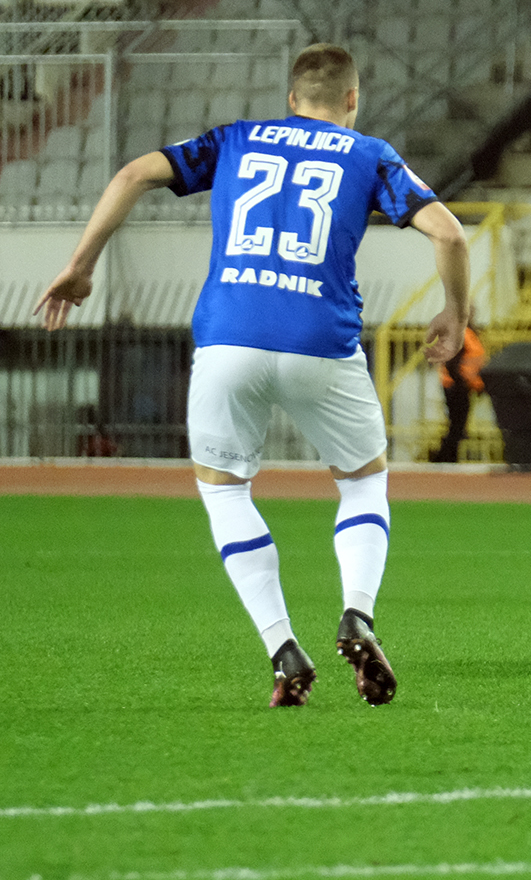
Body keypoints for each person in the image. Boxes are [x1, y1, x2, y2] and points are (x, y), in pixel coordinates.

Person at [34, 44, 471, 708]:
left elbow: (131, 175)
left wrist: (81, 265)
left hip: (228, 339)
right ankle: (357, 613)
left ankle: (282, 649)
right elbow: (451, 235)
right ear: (352, 99)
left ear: (292, 99)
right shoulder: (369, 153)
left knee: (226, 492)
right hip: (321, 342)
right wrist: (455, 313)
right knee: (363, 483)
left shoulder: (236, 140)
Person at [430, 318, 484, 463]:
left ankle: (446, 456)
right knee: (457, 424)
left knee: (458, 425)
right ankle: (444, 457)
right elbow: (453, 362)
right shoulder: (460, 334)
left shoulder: (464, 333)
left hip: (460, 385)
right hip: (456, 386)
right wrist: (461, 382)